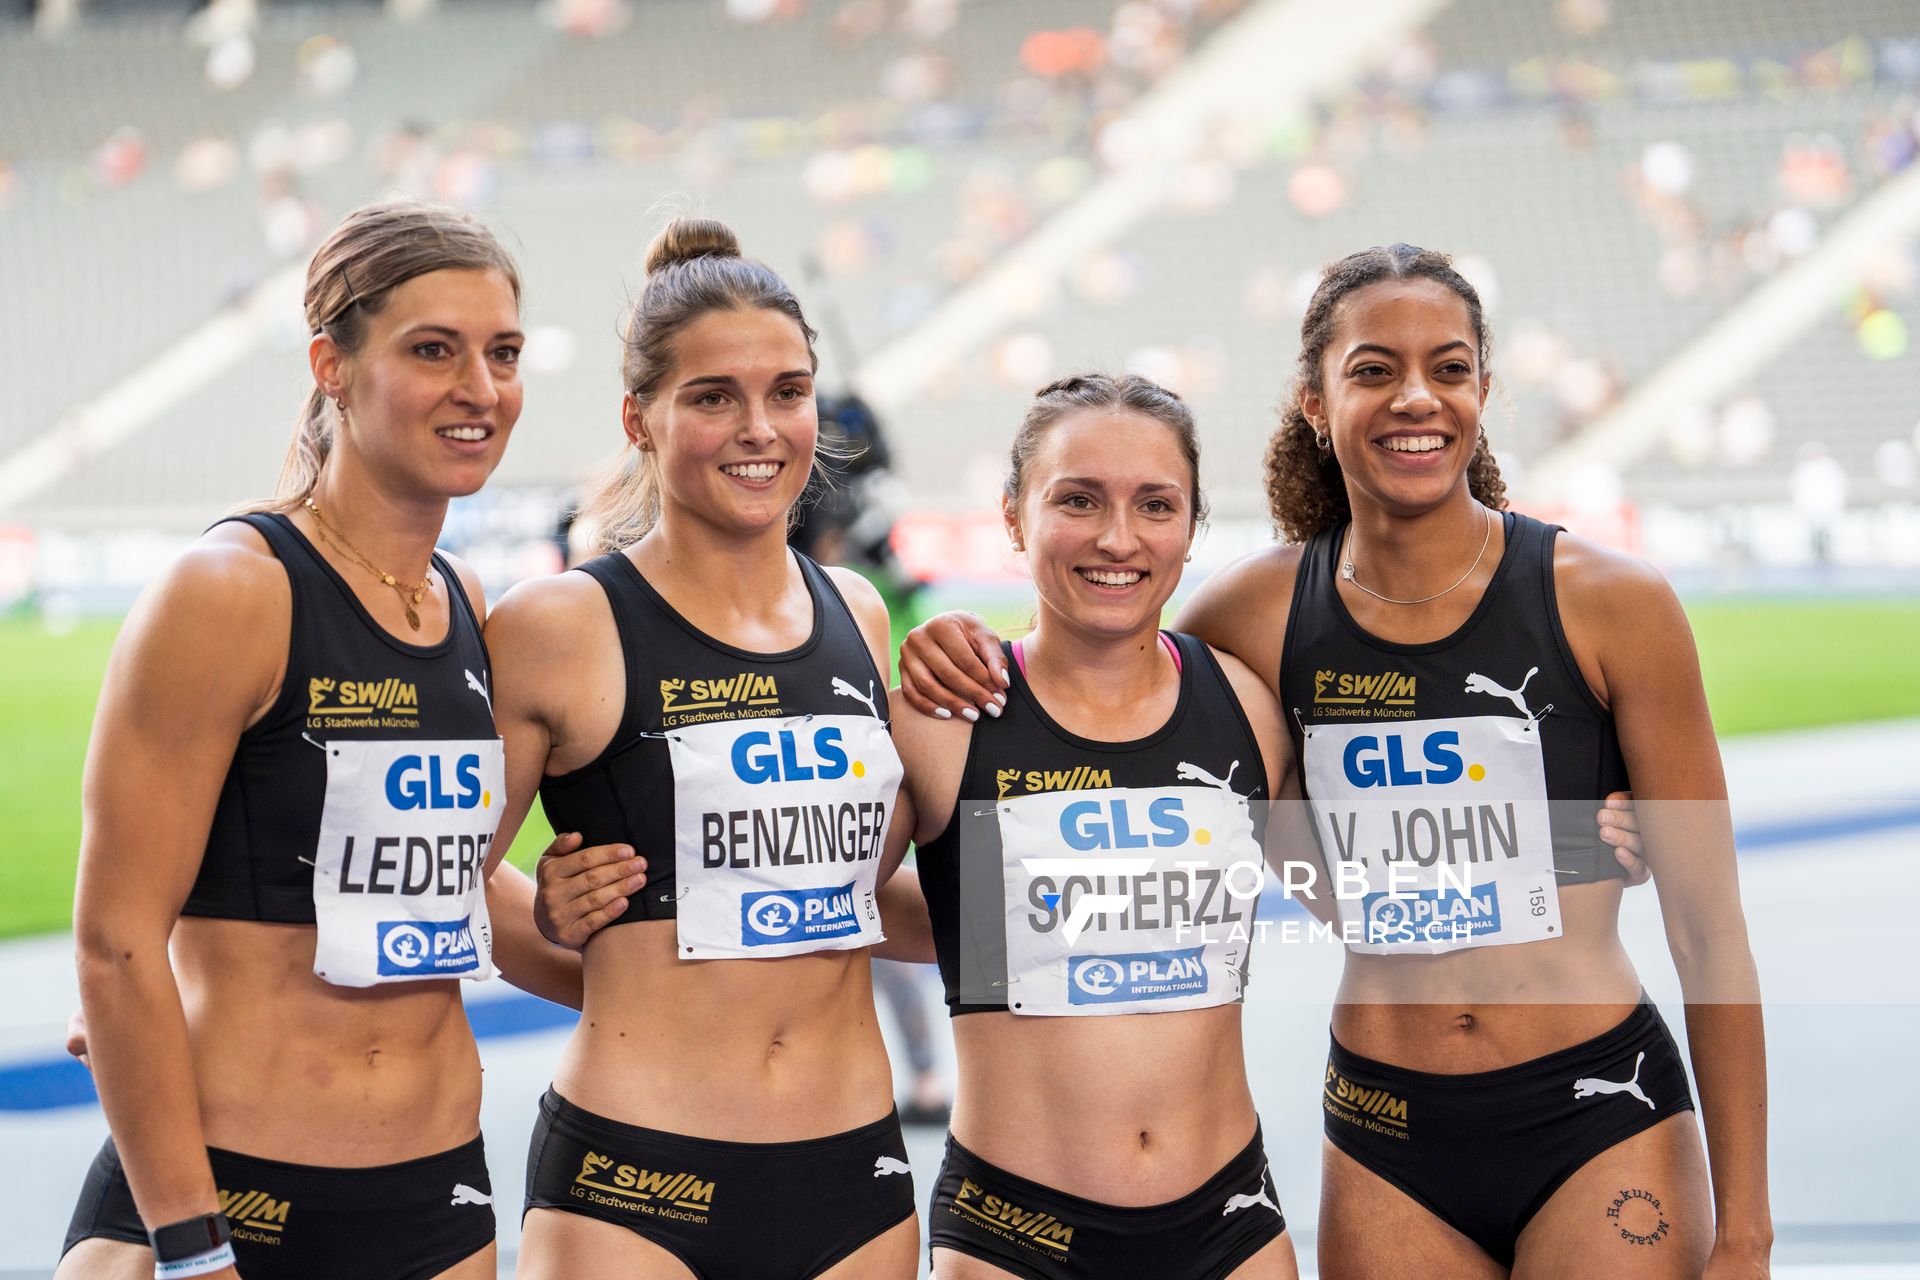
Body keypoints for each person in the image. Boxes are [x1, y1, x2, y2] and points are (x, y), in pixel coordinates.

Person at [899, 245, 1757, 1279]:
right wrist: (963, 641)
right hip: (1388, 1133)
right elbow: (1095, 681)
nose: (1415, 398)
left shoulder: (1611, 599)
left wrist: (1746, 1227)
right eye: (1372, 369)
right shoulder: (1249, 616)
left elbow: (1711, 931)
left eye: (1448, 367)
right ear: (1314, 399)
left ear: (1485, 388)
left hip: (1594, 1105)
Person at [57, 200, 612, 1280]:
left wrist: (566, 913)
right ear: (333, 364)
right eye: (433, 351)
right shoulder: (229, 592)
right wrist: (188, 1244)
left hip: (434, 1201)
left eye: (503, 353)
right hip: (226, 1198)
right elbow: (114, 940)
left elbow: (430, 890)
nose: (481, 389)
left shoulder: (462, 600)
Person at [486, 217, 920, 1280]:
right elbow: (432, 883)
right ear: (639, 417)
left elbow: (857, 891)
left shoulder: (857, 615)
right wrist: (606, 961)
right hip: (635, 1181)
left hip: (853, 1176)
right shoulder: (558, 626)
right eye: (713, 396)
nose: (759, 427)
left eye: (788, 389)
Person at [889, 373, 1301, 1279]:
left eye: (1156, 505)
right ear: (1012, 517)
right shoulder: (938, 717)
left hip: (1230, 1226)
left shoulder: (1252, 710)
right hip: (1014, 1232)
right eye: (1078, 501)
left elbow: (1377, 886)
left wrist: (1599, 844)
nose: (1119, 538)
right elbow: (811, 907)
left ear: (1192, 527)